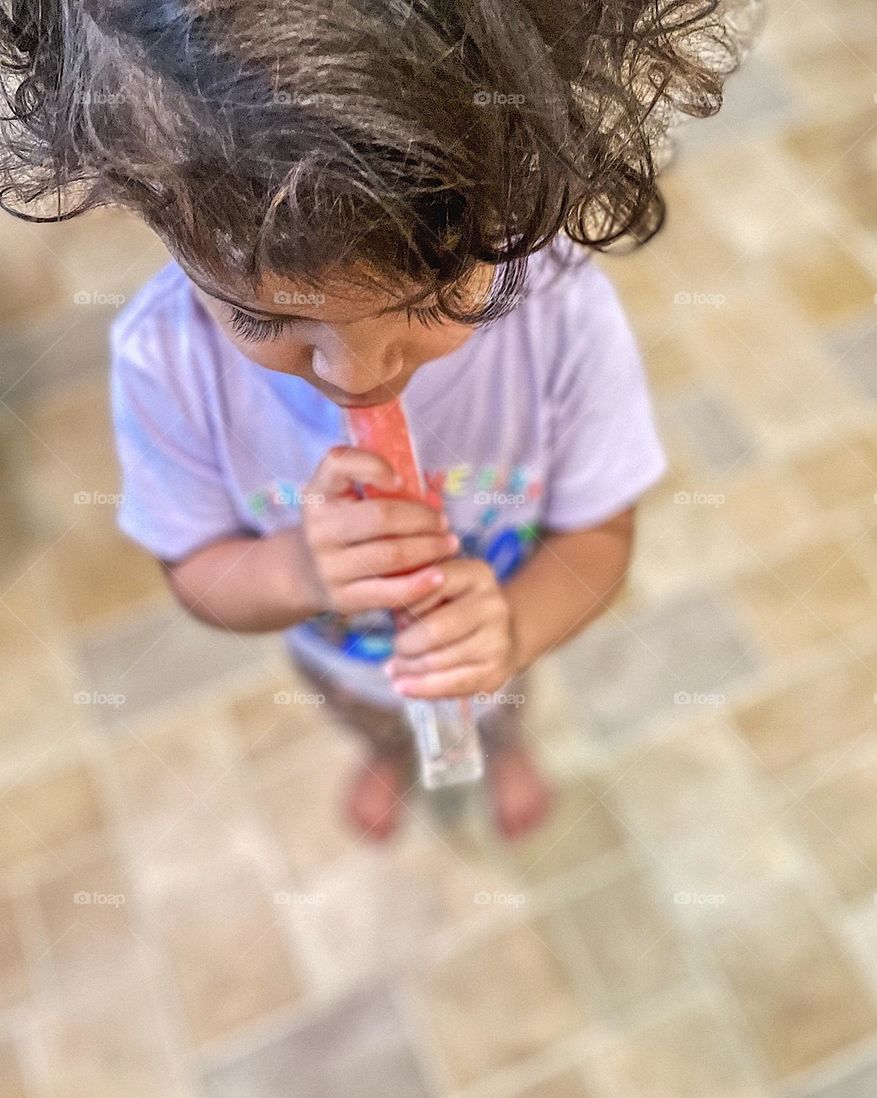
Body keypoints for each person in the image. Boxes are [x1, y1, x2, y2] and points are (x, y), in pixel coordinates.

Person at [0, 0, 747, 841]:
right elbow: (196, 569)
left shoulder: (561, 311)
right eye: (264, 320)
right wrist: (298, 576)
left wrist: (511, 628)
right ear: (158, 223)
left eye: (433, 301)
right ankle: (387, 755)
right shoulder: (164, 359)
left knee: (504, 703)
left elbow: (600, 538)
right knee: (363, 715)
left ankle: (504, 751)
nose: (359, 377)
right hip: (339, 661)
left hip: (490, 640)